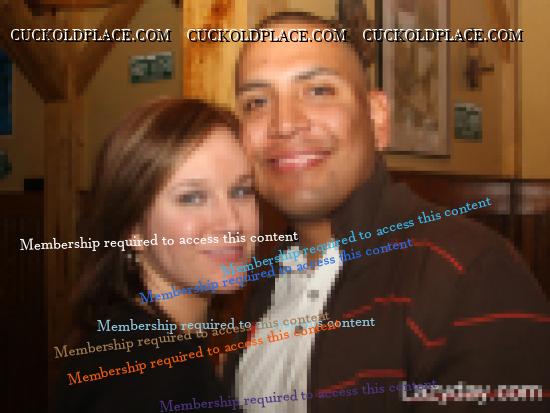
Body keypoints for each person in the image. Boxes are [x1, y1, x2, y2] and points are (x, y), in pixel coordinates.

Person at [228, 12, 550, 412]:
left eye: (318, 90)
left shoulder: (469, 276)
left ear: (377, 118)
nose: (284, 123)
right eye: (257, 102)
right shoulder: (263, 282)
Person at [53, 98, 259, 412]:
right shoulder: (153, 376)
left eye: (241, 191)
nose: (232, 223)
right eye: (192, 197)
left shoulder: (132, 341)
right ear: (132, 228)